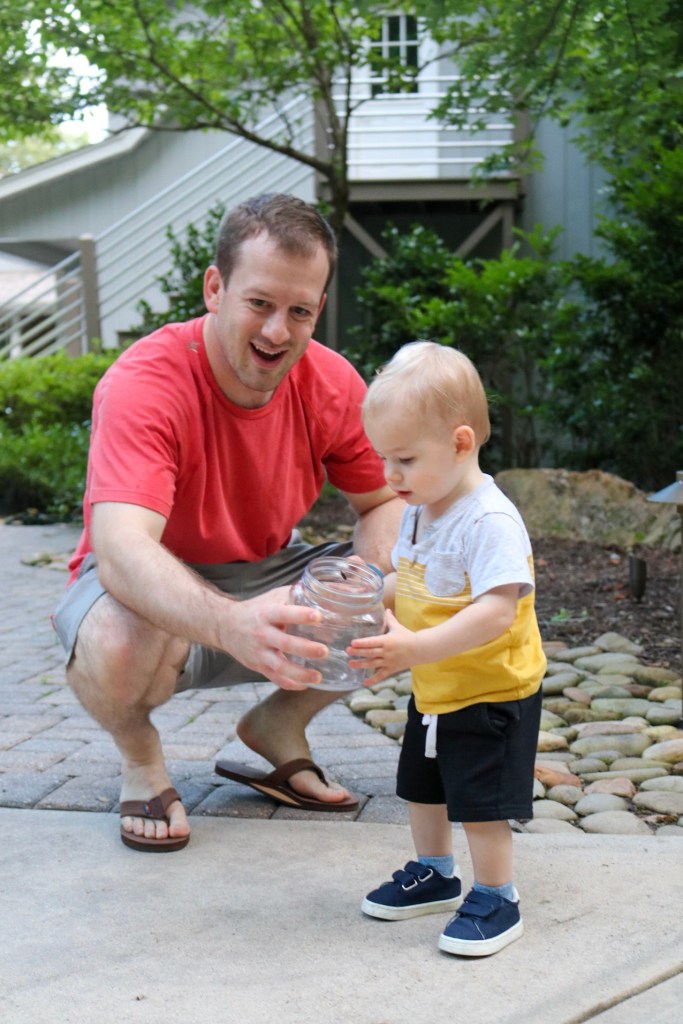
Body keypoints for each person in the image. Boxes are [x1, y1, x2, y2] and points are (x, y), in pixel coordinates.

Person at [53, 192, 401, 853]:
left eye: (298, 311)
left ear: (319, 308)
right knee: (117, 642)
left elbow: (385, 502)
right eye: (259, 303)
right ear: (215, 288)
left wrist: (368, 581)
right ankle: (140, 757)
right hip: (153, 582)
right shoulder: (145, 382)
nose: (277, 331)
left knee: (432, 580)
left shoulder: (332, 383)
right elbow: (122, 550)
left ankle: (277, 726)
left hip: (269, 570)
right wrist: (229, 624)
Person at [347, 341, 546, 957]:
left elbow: (496, 611)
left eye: (405, 459)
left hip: (490, 692)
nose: (390, 476)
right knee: (422, 786)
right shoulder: (421, 508)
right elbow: (409, 581)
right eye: (384, 458)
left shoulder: (488, 521)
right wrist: (366, 596)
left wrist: (413, 648)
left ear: (461, 443)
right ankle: (436, 872)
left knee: (480, 803)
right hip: (438, 686)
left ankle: (497, 896)